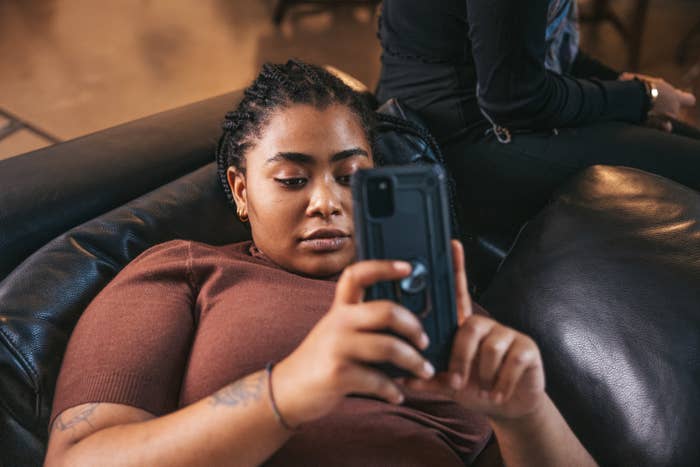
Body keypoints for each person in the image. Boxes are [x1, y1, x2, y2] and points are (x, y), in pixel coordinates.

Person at [44, 60, 596, 467]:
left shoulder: (434, 298)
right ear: (240, 191)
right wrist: (289, 389)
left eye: (352, 177)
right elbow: (80, 459)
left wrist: (526, 414)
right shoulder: (184, 272)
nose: (327, 201)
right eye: (291, 179)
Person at [376, 0, 700, 259]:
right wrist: (640, 97)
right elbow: (515, 98)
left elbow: (533, 50)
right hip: (459, 142)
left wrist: (627, 88)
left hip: (485, 117)